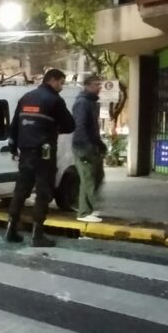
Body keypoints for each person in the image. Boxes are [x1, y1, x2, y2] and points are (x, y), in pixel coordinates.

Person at [5, 69, 76, 247]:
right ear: (53, 80)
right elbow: (70, 125)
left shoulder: (26, 98)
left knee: (21, 190)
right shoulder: (54, 100)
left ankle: (11, 230)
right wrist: (54, 128)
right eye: (61, 83)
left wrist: (13, 147)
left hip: (25, 152)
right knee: (43, 193)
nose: (61, 87)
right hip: (44, 153)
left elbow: (14, 126)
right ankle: (37, 235)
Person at [71, 75, 108, 223]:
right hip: (83, 147)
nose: (99, 87)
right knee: (88, 178)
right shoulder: (82, 103)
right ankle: (84, 212)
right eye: (95, 84)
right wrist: (86, 147)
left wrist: (99, 144)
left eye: (99, 84)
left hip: (91, 146)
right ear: (87, 86)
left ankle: (89, 208)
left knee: (97, 176)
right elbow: (79, 126)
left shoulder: (91, 102)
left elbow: (93, 128)